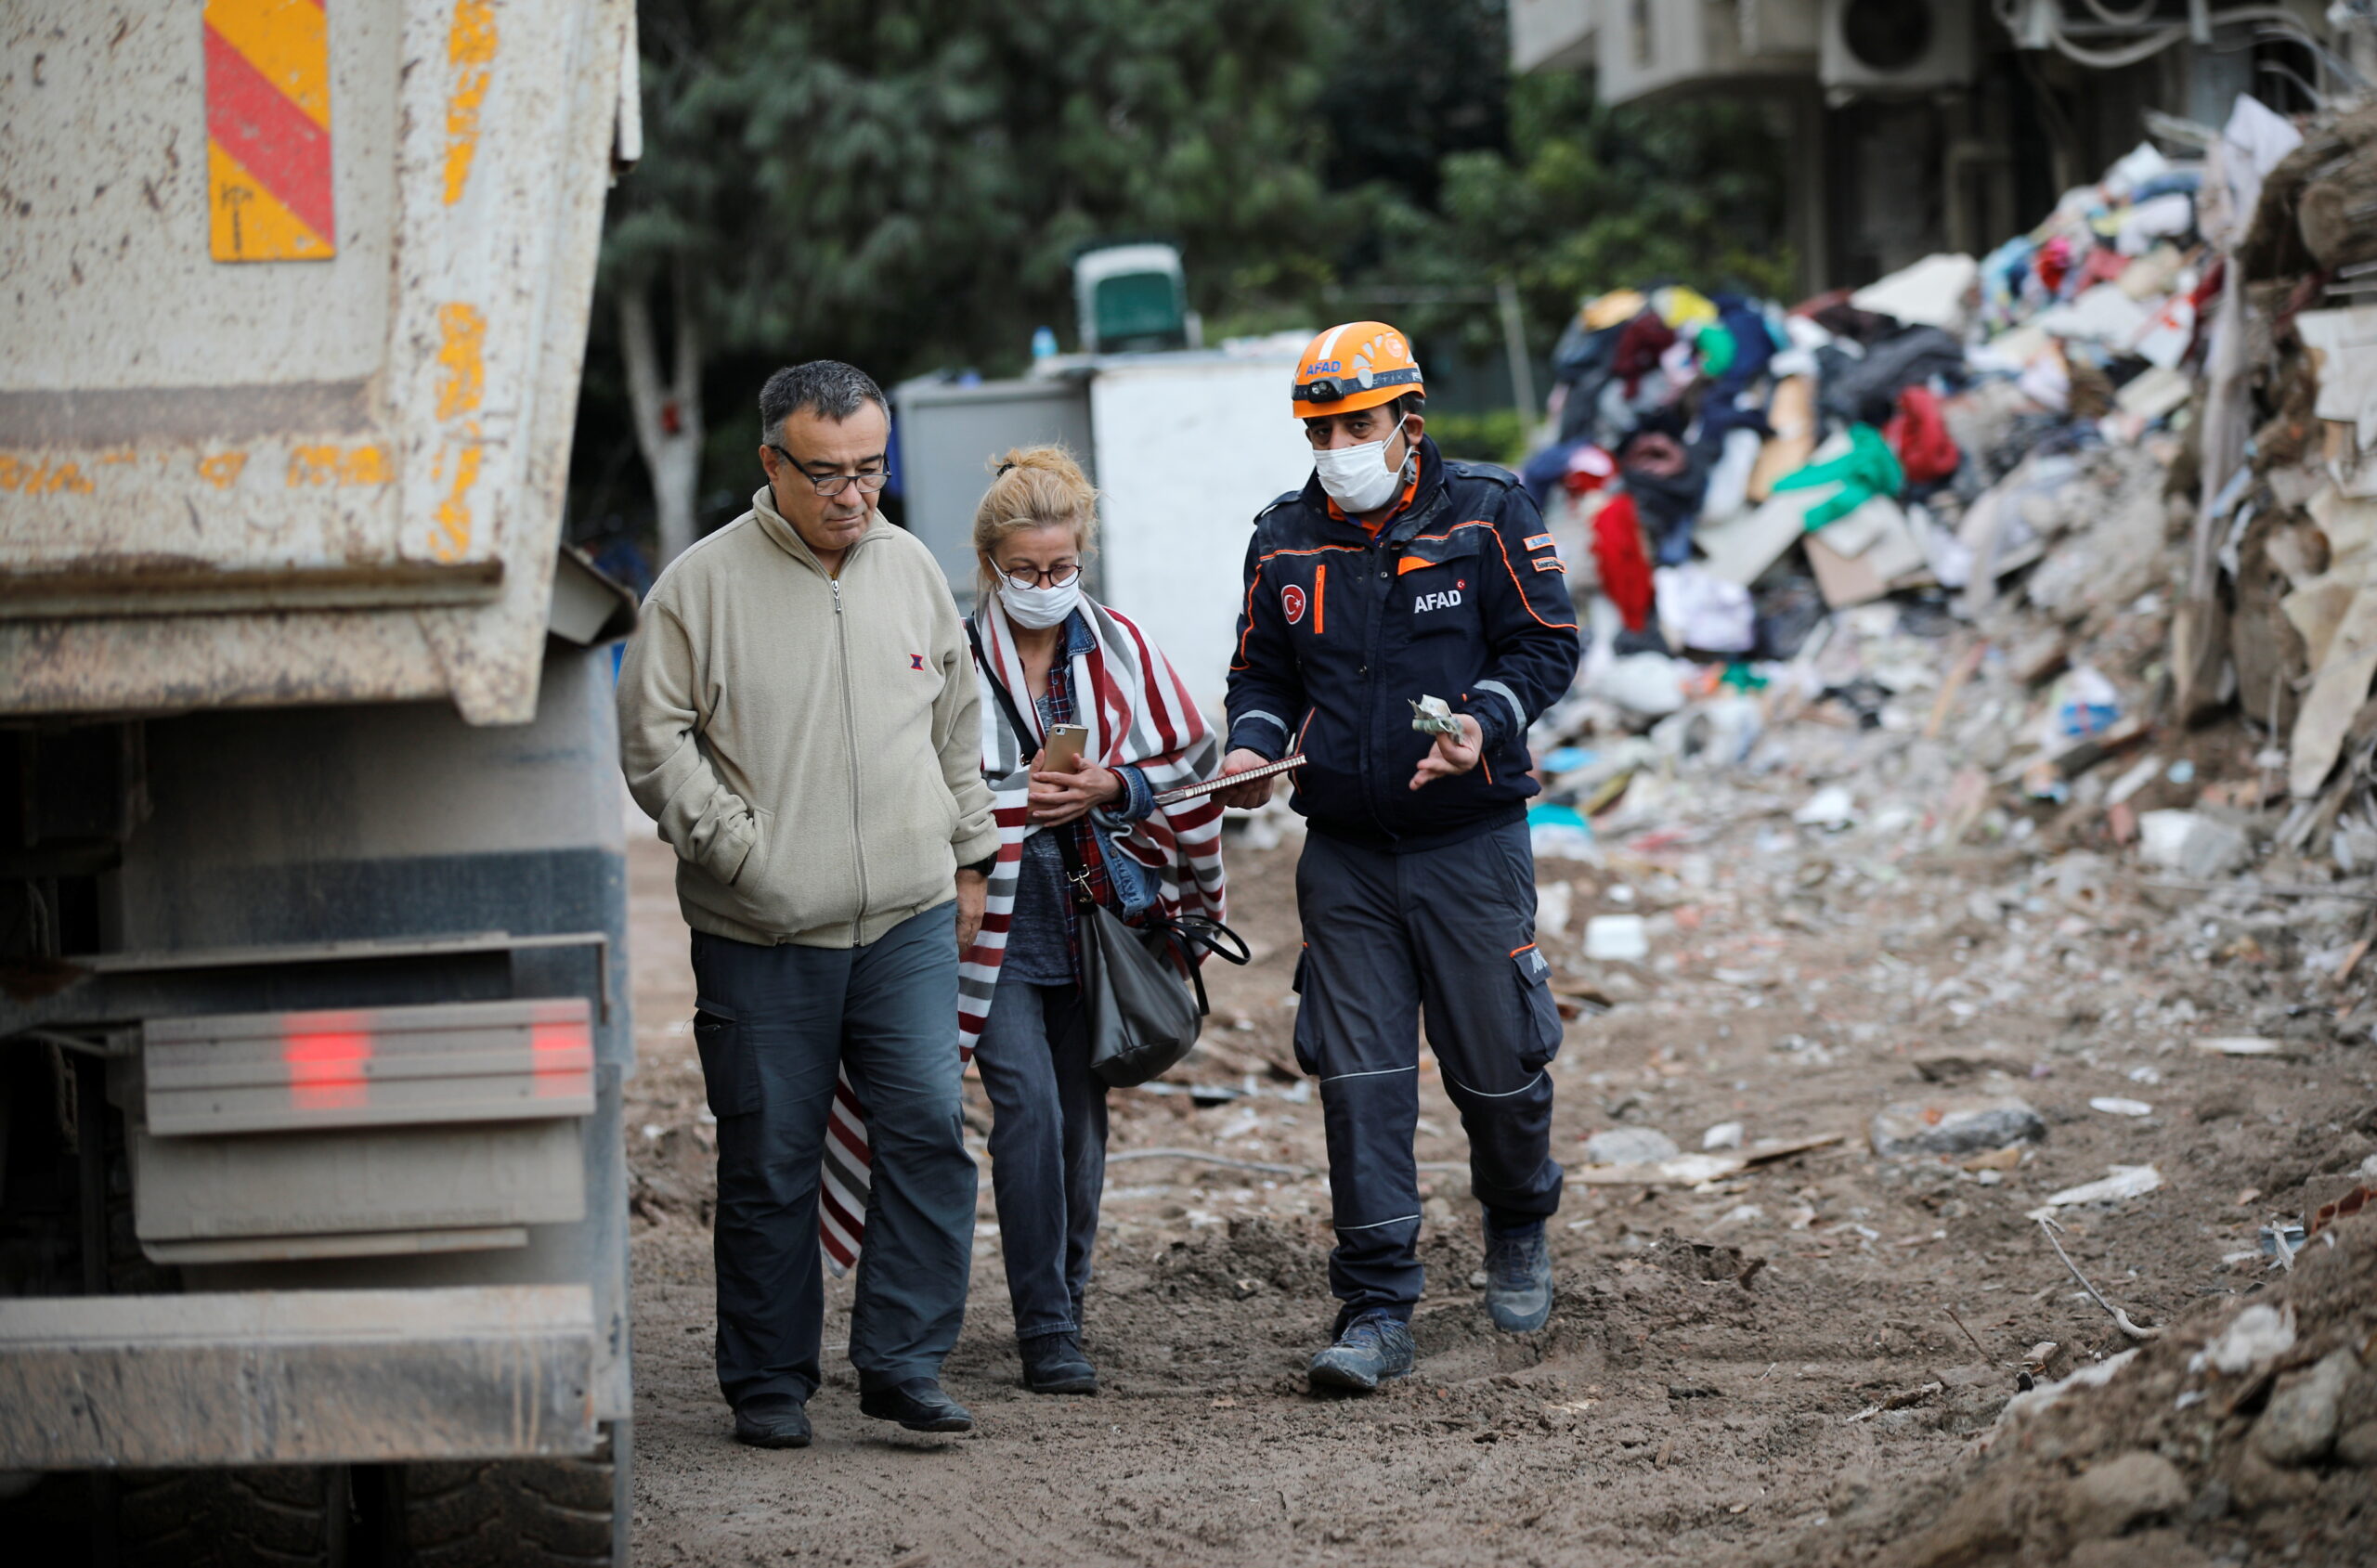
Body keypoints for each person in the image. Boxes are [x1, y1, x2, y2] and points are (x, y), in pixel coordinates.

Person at [617, 361, 998, 1448]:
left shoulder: (913, 567)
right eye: (825, 472)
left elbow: (954, 723)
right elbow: (652, 738)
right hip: (763, 934)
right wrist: (743, 853)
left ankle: (903, 1362)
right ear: (770, 464)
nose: (851, 494)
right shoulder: (699, 587)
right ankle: (770, 1382)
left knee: (927, 1131)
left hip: (909, 924)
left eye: (870, 469)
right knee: (772, 1159)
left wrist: (967, 855)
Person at [1215, 322, 1583, 1392]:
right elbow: (1261, 676)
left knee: (1499, 1072)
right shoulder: (1281, 538)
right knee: (1359, 1083)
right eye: (1320, 427)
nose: (1337, 443)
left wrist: (1487, 720)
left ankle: (1517, 1214)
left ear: (1407, 422)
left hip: (1470, 848)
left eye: (1357, 424)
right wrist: (1247, 746)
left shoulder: (1487, 511)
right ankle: (1375, 1305)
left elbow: (1545, 643)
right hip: (1345, 862)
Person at [957, 446, 1227, 1395]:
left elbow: (1195, 766)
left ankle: (1062, 1305)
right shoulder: (950, 657)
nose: (1043, 586)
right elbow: (915, 780)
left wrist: (1114, 786)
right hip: (988, 920)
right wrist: (1007, 798)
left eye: (1060, 569)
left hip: (1094, 915)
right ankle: (1043, 1328)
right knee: (1024, 1113)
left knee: (1078, 1123)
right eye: (1025, 571)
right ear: (989, 563)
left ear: (1082, 557)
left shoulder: (1120, 649)